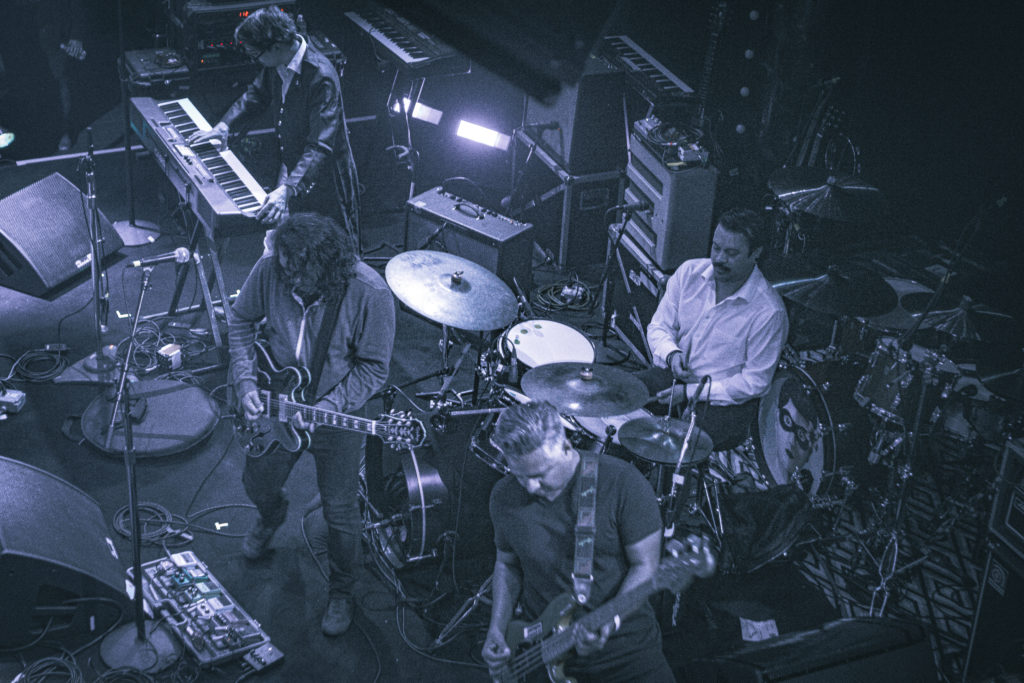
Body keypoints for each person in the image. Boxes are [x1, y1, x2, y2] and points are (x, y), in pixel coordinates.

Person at [228, 212, 395, 636]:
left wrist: (329, 403)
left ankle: (342, 591)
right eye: (284, 268)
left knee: (340, 511)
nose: (289, 280)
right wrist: (246, 382)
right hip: (275, 398)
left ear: (327, 266)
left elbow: (374, 369)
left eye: (299, 273)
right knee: (257, 481)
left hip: (335, 414)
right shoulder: (272, 268)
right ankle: (272, 514)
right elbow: (241, 320)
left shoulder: (370, 292)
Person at [481, 401, 675, 683]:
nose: (531, 487)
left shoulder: (622, 483)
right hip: (541, 648)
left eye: (540, 475)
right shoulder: (504, 496)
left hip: (624, 651)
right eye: (520, 476)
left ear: (565, 447)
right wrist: (497, 630)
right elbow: (507, 564)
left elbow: (645, 565)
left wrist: (610, 619)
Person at [188, 7, 355, 243]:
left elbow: (319, 146)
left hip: (324, 180)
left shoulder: (321, 77)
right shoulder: (280, 61)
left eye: (255, 54)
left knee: (331, 247)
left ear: (276, 46)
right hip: (294, 167)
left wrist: (288, 189)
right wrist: (225, 125)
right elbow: (256, 94)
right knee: (297, 244)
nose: (255, 60)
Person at [644, 208, 789, 451]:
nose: (719, 259)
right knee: (617, 397)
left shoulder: (769, 312)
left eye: (731, 253)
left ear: (756, 253)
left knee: (674, 449)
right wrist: (672, 354)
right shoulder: (689, 273)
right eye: (716, 247)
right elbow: (659, 326)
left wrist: (689, 393)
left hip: (722, 402)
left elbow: (754, 382)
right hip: (674, 377)